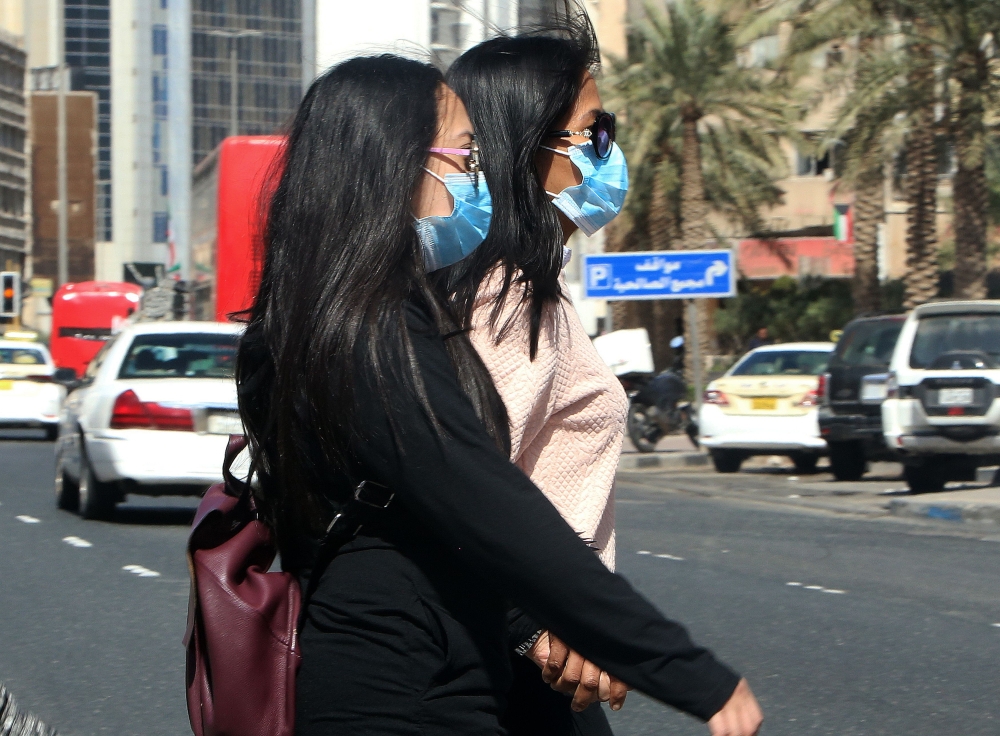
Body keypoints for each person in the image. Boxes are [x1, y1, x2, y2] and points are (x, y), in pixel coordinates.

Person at [236, 54, 762, 736]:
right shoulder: (367, 330)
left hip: (442, 661)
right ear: (394, 165)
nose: (476, 177)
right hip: (399, 684)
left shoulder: (358, 316)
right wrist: (682, 669)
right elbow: (483, 497)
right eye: (463, 155)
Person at [438, 19, 629, 734]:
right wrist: (537, 626)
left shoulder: (529, 286)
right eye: (595, 133)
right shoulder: (503, 297)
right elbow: (459, 488)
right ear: (530, 146)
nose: (610, 154)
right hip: (516, 657)